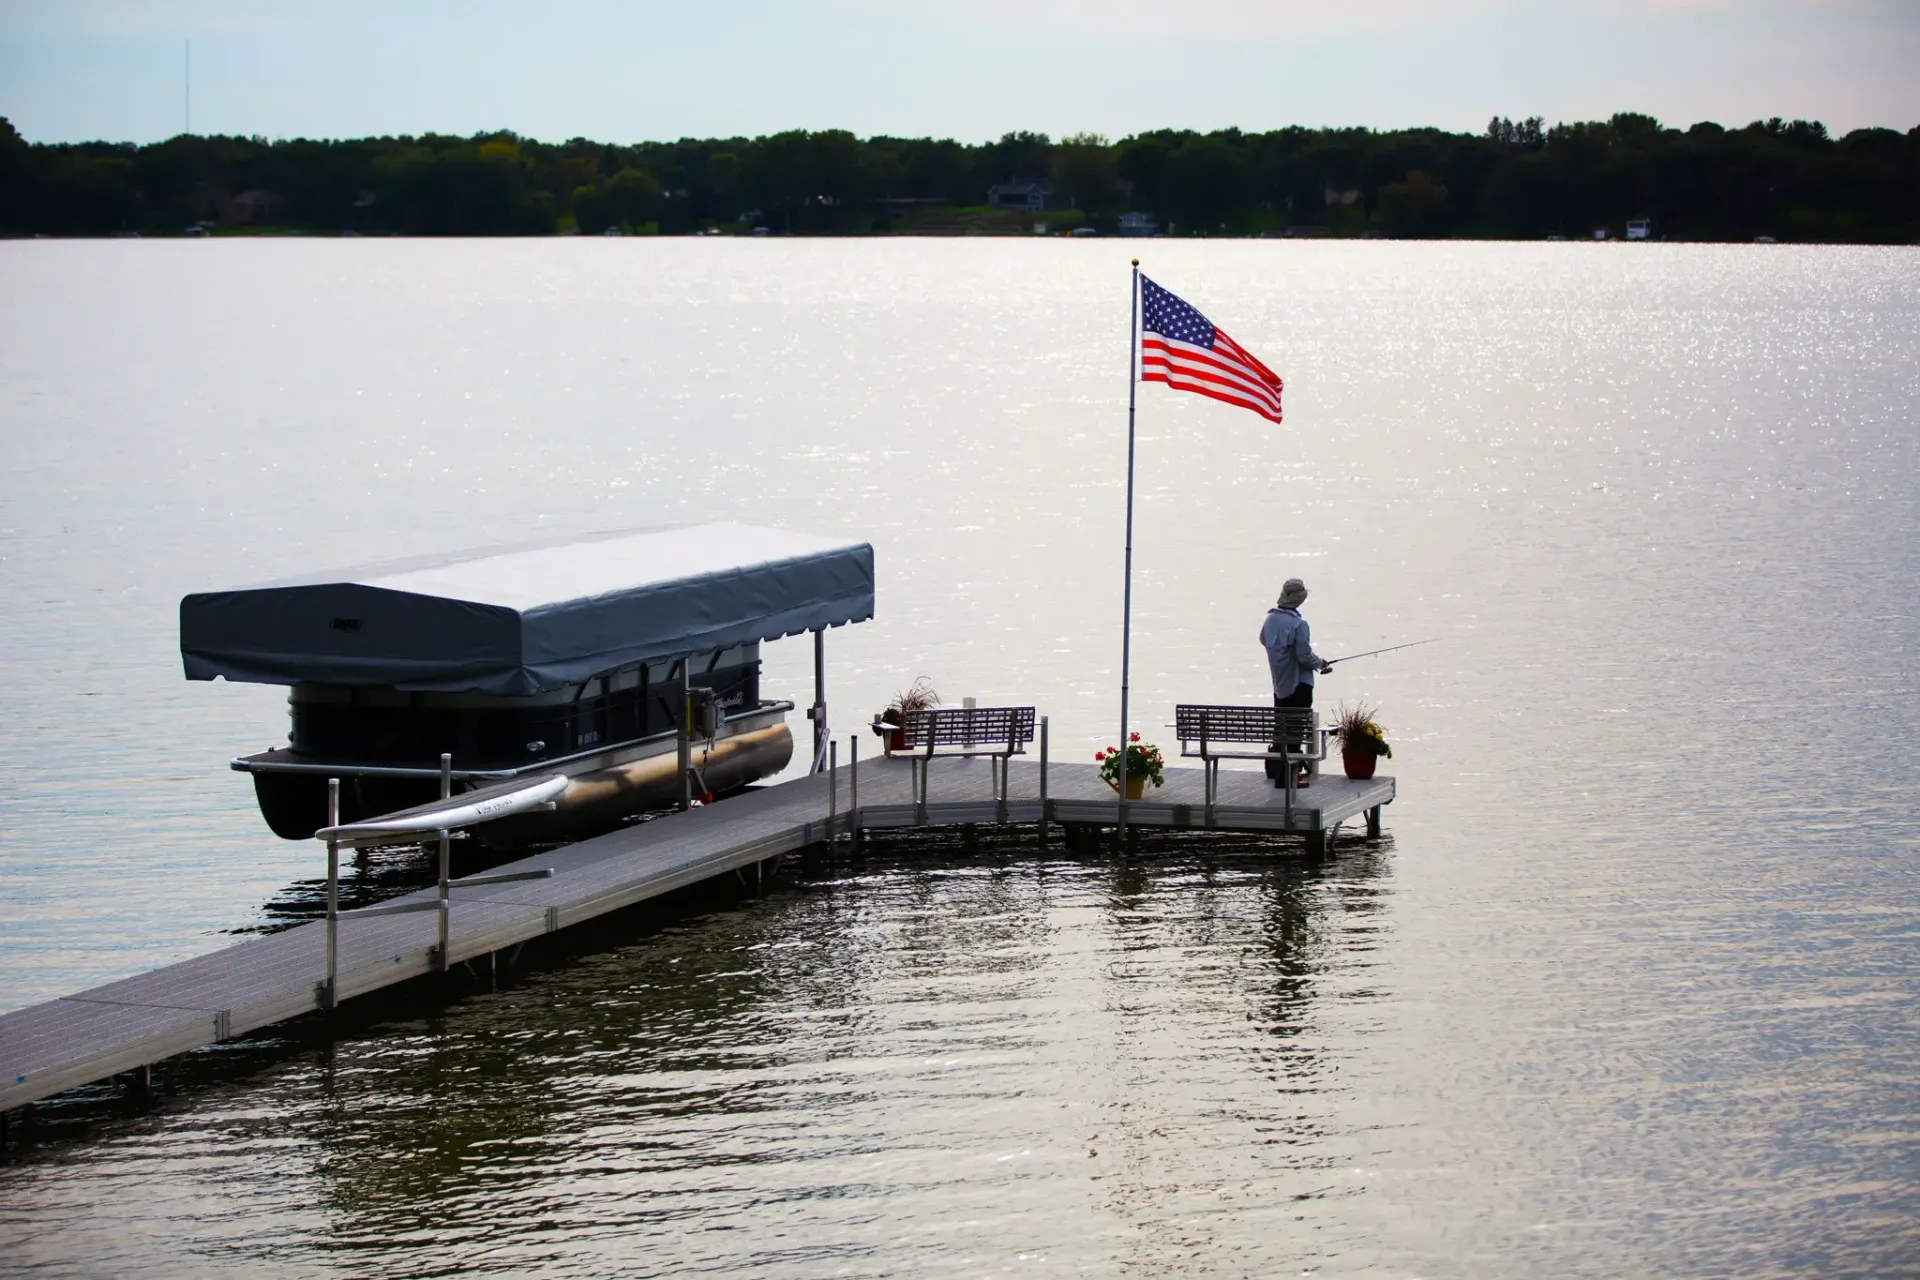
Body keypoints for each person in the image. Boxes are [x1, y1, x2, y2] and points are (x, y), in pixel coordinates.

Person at [1258, 578, 1333, 787]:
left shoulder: (1270, 619)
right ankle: (1288, 777)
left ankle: (1280, 771)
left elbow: (1264, 640)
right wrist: (1321, 664)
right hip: (1299, 685)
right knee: (1295, 731)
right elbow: (1304, 656)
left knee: (1282, 729)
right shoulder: (1299, 624)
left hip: (1279, 685)